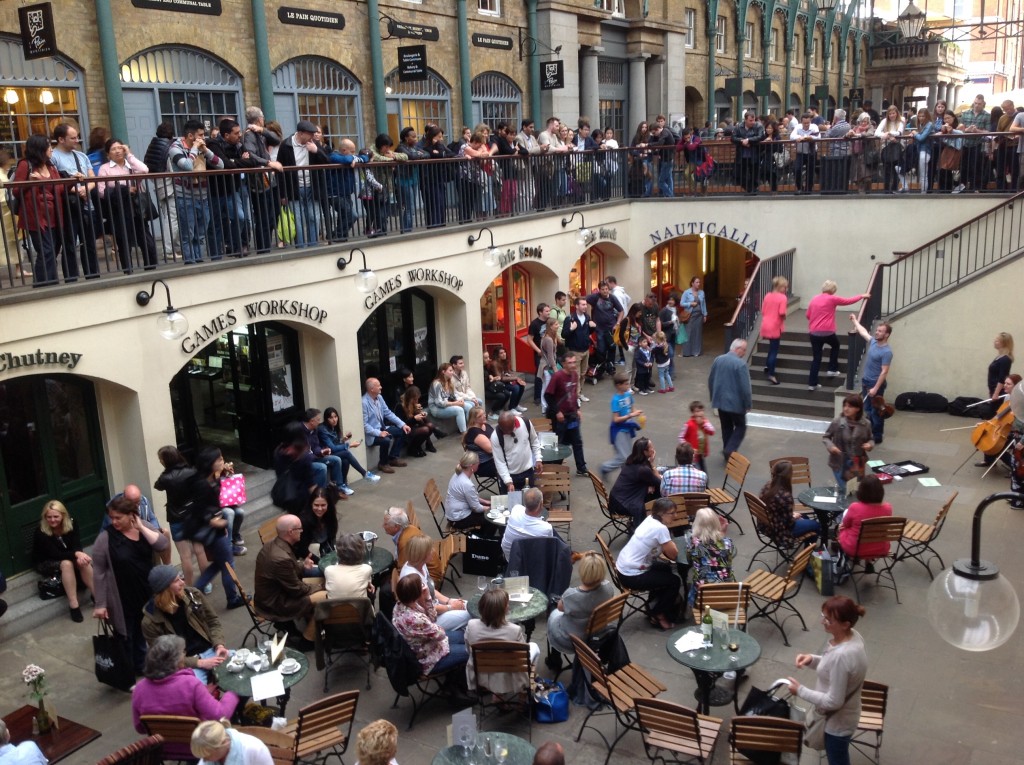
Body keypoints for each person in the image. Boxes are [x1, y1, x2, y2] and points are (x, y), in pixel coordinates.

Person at [92, 495, 170, 674]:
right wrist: (101, 604)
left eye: (118, 518)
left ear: (131, 515)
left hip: (146, 592)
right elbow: (99, 572)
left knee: (146, 631)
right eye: (111, 518)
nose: (114, 521)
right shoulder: (105, 539)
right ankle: (127, 672)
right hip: (122, 596)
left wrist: (141, 527)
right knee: (127, 636)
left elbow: (162, 544)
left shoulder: (144, 528)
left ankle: (142, 666)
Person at [787, 596, 868, 765]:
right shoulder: (852, 636)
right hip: (848, 714)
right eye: (823, 616)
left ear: (845, 624)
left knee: (837, 760)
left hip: (837, 723)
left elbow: (834, 701)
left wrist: (800, 690)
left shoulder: (842, 656)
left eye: (829, 620)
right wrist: (812, 659)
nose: (823, 621)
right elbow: (830, 666)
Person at [141, 566, 228, 683]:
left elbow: (213, 621)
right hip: (185, 664)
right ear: (165, 589)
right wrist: (200, 663)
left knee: (246, 672)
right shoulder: (149, 623)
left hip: (211, 650)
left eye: (180, 578)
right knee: (194, 692)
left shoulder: (193, 595)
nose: (183, 582)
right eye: (177, 581)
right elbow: (166, 658)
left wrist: (219, 645)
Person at [253, 514, 328, 648]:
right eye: (300, 529)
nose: (302, 531)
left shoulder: (274, 544)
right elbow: (298, 590)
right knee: (327, 596)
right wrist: (322, 586)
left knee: (318, 582)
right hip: (276, 603)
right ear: (291, 532)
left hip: (271, 596)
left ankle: (311, 619)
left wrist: (302, 566)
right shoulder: (280, 558)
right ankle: (307, 640)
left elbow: (286, 571)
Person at [189, 447, 244, 610]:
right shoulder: (202, 484)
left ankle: (193, 593)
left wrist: (223, 475)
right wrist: (216, 521)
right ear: (209, 463)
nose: (222, 461)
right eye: (219, 460)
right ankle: (232, 599)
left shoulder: (210, 480)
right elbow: (201, 508)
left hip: (213, 531)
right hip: (211, 532)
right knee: (228, 564)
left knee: (218, 565)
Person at [11, 134, 69, 286]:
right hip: (35, 215)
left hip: (54, 215)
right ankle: (42, 284)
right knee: (46, 250)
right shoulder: (25, 165)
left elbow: (60, 187)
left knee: (53, 250)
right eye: (49, 146)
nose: (51, 149)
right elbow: (16, 190)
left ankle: (49, 282)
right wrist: (30, 182)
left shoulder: (51, 166)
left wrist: (72, 181)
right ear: (40, 148)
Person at [615, 498, 681, 630]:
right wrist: (672, 543)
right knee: (675, 581)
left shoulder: (650, 518)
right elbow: (673, 554)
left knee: (667, 569)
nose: (676, 516)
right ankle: (658, 613)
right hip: (632, 576)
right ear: (661, 514)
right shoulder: (661, 529)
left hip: (624, 567)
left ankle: (653, 604)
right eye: (672, 513)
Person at [166, 119, 223, 263]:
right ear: (191, 136)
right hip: (184, 196)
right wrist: (194, 149)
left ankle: (199, 260)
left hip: (202, 196)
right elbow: (186, 166)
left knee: (201, 234)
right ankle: (191, 262)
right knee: (188, 234)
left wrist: (205, 150)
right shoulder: (175, 147)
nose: (204, 138)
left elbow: (220, 165)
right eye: (201, 135)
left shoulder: (202, 148)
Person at [392, 572, 469, 678]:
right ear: (416, 594)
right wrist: (426, 597)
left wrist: (426, 598)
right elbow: (440, 633)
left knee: (463, 636)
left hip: (426, 644)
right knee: (470, 650)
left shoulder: (399, 605)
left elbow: (432, 619)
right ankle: (458, 681)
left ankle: (456, 676)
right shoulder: (416, 619)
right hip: (428, 659)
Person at [154, 446, 210, 588]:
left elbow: (157, 486)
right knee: (200, 550)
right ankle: (206, 584)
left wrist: (167, 470)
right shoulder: (191, 472)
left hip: (177, 518)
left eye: (161, 458)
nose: (160, 461)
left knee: (185, 556)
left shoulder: (165, 478)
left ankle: (189, 587)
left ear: (166, 460)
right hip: (194, 515)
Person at [49, 123, 100, 278]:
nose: (76, 140)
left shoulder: (82, 156)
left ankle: (93, 275)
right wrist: (76, 190)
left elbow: (93, 178)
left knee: (90, 242)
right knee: (70, 243)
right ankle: (71, 277)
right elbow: (54, 181)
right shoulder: (53, 157)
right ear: (61, 139)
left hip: (86, 204)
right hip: (67, 207)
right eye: (72, 137)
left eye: (76, 136)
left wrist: (86, 189)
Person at [465, 588, 539, 693]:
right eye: (507, 604)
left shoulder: (471, 625)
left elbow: (468, 650)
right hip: (508, 673)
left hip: (481, 674)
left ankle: (497, 695)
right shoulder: (514, 630)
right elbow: (523, 656)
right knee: (534, 646)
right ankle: (523, 693)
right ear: (503, 610)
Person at [32, 499, 94, 622]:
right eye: (49, 517)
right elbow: (55, 554)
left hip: (66, 555)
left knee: (82, 561)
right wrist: (76, 554)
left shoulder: (72, 523)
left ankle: (98, 596)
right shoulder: (41, 531)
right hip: (46, 561)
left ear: (63, 515)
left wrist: (79, 555)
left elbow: (77, 545)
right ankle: (74, 604)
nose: (52, 520)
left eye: (56, 516)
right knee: (67, 564)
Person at [546, 550, 616, 654]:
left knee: (552, 604)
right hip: (597, 633)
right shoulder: (608, 588)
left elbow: (560, 608)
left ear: (582, 571)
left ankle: (555, 660)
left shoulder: (571, 595)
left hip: (572, 639)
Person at [806, 281, 870, 390]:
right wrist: (861, 296)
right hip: (828, 331)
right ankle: (832, 369)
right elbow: (848, 301)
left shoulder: (814, 299)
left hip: (814, 333)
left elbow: (808, 315)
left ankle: (812, 384)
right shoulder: (832, 298)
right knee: (835, 346)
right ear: (833, 290)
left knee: (816, 358)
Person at [850, 315, 894, 444]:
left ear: (886, 335)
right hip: (866, 382)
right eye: (877, 330)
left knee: (876, 412)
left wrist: (875, 388)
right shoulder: (874, 342)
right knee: (868, 410)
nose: (877, 332)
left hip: (876, 384)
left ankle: (877, 436)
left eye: (880, 331)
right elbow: (863, 332)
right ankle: (869, 433)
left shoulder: (886, 352)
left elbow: (884, 371)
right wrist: (855, 320)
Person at [708, 339, 752, 459]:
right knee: (740, 426)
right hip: (735, 404)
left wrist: (713, 397)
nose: (744, 353)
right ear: (738, 349)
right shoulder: (741, 364)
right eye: (744, 350)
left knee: (726, 427)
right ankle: (730, 449)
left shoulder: (718, 359)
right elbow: (745, 388)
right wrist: (748, 404)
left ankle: (727, 452)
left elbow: (711, 379)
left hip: (720, 401)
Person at [318, 406, 380, 492]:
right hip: (325, 454)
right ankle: (365, 474)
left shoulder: (333, 428)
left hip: (332, 452)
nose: (334, 420)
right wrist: (349, 445)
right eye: (331, 418)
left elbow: (335, 443)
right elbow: (332, 448)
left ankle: (343, 485)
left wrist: (343, 439)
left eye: (335, 417)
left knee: (346, 460)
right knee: (346, 453)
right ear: (326, 418)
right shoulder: (322, 429)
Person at [759, 460, 820, 544]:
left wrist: (793, 515)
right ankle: (808, 552)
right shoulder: (785, 496)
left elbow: (777, 509)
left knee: (805, 517)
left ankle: (808, 544)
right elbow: (789, 524)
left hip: (767, 525)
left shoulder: (768, 485)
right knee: (816, 525)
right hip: (780, 531)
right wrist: (794, 517)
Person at [685, 507, 736, 607]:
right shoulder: (728, 543)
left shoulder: (693, 543)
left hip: (702, 597)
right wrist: (723, 533)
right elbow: (726, 556)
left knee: (692, 575)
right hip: (728, 594)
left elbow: (689, 560)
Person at [837, 475, 894, 564]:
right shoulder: (888, 508)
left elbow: (846, 524)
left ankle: (844, 559)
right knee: (871, 530)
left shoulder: (855, 507)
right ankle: (868, 561)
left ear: (861, 491)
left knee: (842, 525)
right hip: (881, 548)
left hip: (856, 549)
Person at [546, 354, 588, 475]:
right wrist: (557, 412)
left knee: (577, 442)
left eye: (574, 362)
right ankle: (554, 470)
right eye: (570, 363)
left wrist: (578, 408)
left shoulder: (574, 375)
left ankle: (581, 467)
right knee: (559, 444)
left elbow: (573, 394)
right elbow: (548, 395)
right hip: (560, 418)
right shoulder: (557, 376)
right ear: (564, 364)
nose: (573, 365)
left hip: (572, 415)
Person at [609, 438, 663, 528]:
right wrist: (652, 464)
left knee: (651, 493)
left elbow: (643, 479)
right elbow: (660, 483)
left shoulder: (631, 460)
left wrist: (649, 484)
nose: (653, 449)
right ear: (644, 452)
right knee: (656, 497)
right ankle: (643, 528)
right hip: (623, 504)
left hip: (615, 499)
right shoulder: (643, 470)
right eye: (651, 447)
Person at [824, 394, 874, 491]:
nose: (846, 409)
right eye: (845, 406)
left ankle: (851, 505)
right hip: (840, 461)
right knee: (845, 489)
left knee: (854, 490)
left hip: (857, 463)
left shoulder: (866, 424)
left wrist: (869, 445)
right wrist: (831, 447)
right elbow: (826, 437)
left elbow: (871, 439)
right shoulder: (838, 422)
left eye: (850, 406)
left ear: (858, 409)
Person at [362, 377, 411, 474]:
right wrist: (379, 433)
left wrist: (402, 424)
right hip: (372, 433)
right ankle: (383, 463)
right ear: (371, 389)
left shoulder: (379, 398)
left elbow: (388, 413)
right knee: (385, 440)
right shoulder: (364, 402)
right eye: (378, 386)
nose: (381, 387)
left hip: (383, 427)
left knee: (402, 431)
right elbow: (365, 425)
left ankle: (393, 457)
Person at [599, 372, 643, 481]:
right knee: (623, 457)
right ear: (618, 385)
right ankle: (605, 467)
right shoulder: (615, 400)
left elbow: (632, 408)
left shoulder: (628, 395)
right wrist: (631, 415)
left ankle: (626, 477)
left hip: (628, 428)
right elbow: (616, 419)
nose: (628, 386)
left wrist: (638, 414)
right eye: (626, 384)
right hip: (619, 430)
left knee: (628, 455)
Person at [491, 410, 543, 493]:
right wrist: (508, 482)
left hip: (528, 473)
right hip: (509, 476)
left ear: (514, 423)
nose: (507, 433)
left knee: (529, 504)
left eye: (509, 430)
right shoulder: (496, 436)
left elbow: (534, 441)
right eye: (505, 431)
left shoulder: (525, 423)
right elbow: (499, 462)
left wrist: (538, 458)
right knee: (510, 505)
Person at [444, 451, 492, 531]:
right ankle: (482, 538)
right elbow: (476, 508)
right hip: (459, 519)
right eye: (477, 462)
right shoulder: (467, 484)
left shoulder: (458, 474)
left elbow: (470, 496)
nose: (479, 463)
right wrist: (491, 508)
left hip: (453, 513)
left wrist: (485, 502)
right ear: (471, 466)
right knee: (490, 519)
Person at [501, 486, 554, 558]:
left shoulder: (515, 510)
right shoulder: (546, 528)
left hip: (511, 559)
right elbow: (549, 547)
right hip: (532, 562)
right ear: (541, 504)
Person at [190, 720, 274, 765]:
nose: (204, 760)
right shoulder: (210, 748)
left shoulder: (254, 749)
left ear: (224, 743)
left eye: (206, 756)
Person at [324, 532, 374, 600]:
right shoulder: (366, 569)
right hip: (359, 609)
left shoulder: (328, 570)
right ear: (361, 552)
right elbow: (368, 584)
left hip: (334, 609)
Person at [296, 486, 340, 562]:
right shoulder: (303, 522)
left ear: (328, 505)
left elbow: (332, 538)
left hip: (327, 553)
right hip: (310, 559)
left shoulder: (331, 517)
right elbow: (302, 550)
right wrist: (321, 562)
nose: (320, 509)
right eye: (316, 505)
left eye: (323, 505)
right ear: (311, 504)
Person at [760, 276, 789, 385]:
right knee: (774, 350)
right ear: (780, 287)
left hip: (766, 324)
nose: (786, 290)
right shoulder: (783, 298)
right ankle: (771, 374)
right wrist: (785, 315)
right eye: (785, 287)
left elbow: (763, 311)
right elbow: (782, 312)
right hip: (775, 325)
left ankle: (767, 365)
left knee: (771, 347)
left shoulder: (767, 295)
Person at [429, 362, 472, 434]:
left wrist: (461, 400)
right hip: (436, 408)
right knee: (459, 410)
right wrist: (455, 403)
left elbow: (455, 394)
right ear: (443, 372)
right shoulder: (437, 384)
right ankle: (464, 434)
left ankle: (471, 430)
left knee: (469, 406)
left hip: (448, 404)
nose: (452, 372)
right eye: (450, 370)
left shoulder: (449, 382)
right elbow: (439, 403)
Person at [874, 105, 906, 193]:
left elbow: (899, 132)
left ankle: (895, 187)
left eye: (893, 113)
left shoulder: (901, 120)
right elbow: (877, 132)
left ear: (897, 113)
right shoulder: (884, 121)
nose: (892, 115)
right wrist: (887, 136)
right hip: (886, 147)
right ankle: (886, 189)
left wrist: (889, 133)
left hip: (898, 147)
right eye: (890, 114)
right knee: (887, 169)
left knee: (896, 168)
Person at [399, 386, 436, 458]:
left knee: (430, 426)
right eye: (415, 399)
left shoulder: (413, 403)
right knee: (425, 429)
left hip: (414, 426)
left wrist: (420, 413)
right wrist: (414, 419)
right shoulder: (400, 406)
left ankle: (418, 446)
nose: (416, 401)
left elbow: (416, 417)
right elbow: (401, 422)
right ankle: (413, 448)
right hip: (406, 429)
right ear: (410, 398)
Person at [680, 276, 707, 357]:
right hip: (690, 315)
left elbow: (704, 304)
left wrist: (705, 314)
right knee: (688, 333)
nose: (699, 284)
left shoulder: (702, 292)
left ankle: (696, 351)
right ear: (692, 283)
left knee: (697, 333)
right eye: (697, 282)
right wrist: (690, 304)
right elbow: (682, 303)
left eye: (699, 282)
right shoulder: (686, 292)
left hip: (699, 315)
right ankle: (687, 352)